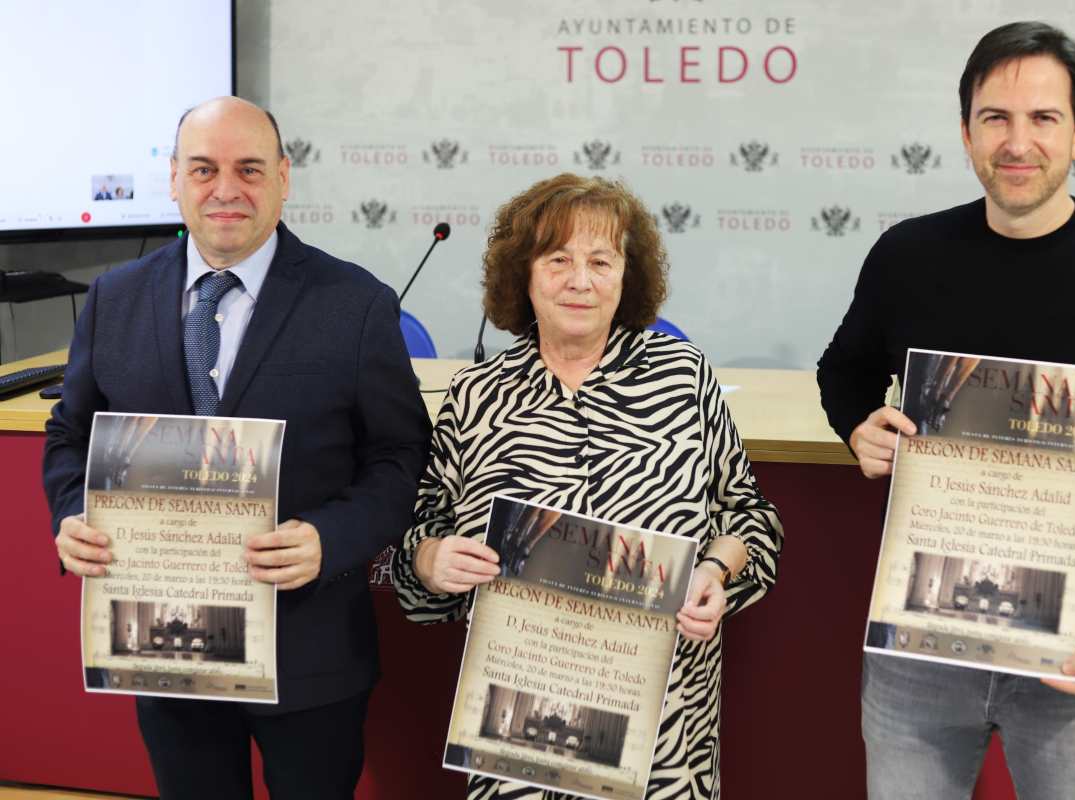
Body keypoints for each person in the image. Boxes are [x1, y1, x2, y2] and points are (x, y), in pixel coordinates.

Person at [817, 21, 1075, 799]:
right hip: (921, 649)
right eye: (995, 117)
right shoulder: (908, 257)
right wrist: (857, 427)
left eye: (1043, 118)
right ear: (966, 130)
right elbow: (842, 373)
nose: (1017, 142)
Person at [43, 96, 432, 800]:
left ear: (284, 176)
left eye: (250, 168)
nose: (226, 189)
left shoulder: (356, 304)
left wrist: (330, 536)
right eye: (204, 169)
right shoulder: (113, 299)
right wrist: (72, 515)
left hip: (309, 652)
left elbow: (401, 456)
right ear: (173, 179)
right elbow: (69, 434)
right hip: (164, 647)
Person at [392, 173, 783, 800]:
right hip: (516, 739)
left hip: (661, 741)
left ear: (627, 276)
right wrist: (430, 560)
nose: (580, 280)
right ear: (524, 272)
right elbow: (415, 563)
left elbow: (751, 521)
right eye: (558, 260)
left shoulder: (682, 379)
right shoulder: (474, 398)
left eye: (601, 261)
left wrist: (716, 572)